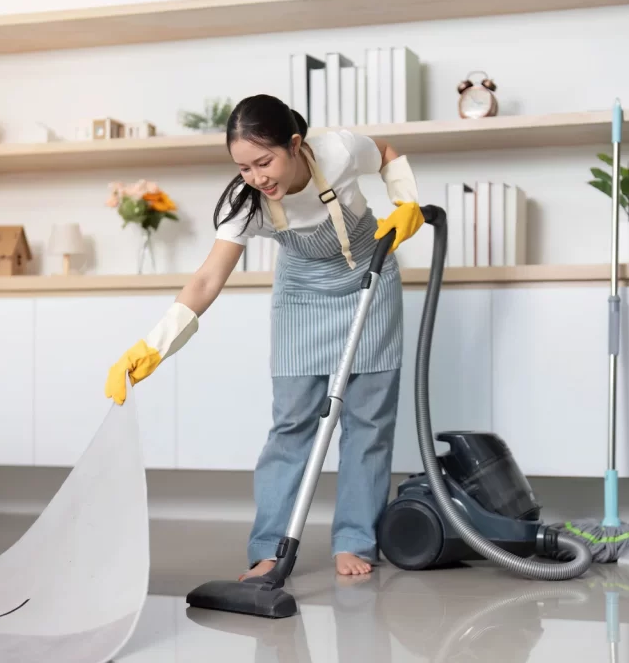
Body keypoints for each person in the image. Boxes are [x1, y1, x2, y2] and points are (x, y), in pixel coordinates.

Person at [105, 94, 424, 578]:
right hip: (301, 297)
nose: (257, 177)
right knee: (292, 425)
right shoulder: (246, 202)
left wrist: (406, 202)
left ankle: (356, 539)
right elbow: (207, 279)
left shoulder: (337, 152)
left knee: (369, 424)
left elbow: (384, 152)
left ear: (295, 145)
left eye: (264, 161)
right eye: (243, 167)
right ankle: (269, 548)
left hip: (369, 282)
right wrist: (154, 345)